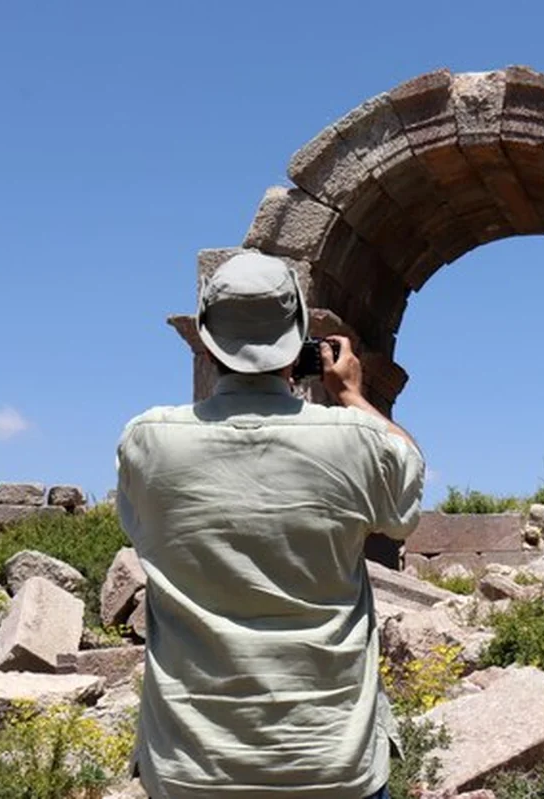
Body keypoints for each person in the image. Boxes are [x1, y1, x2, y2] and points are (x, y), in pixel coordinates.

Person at [116, 251, 424, 799]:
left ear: (206, 337)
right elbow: (408, 480)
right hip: (332, 764)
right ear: (299, 336)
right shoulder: (355, 441)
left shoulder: (148, 441)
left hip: (191, 768)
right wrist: (353, 397)